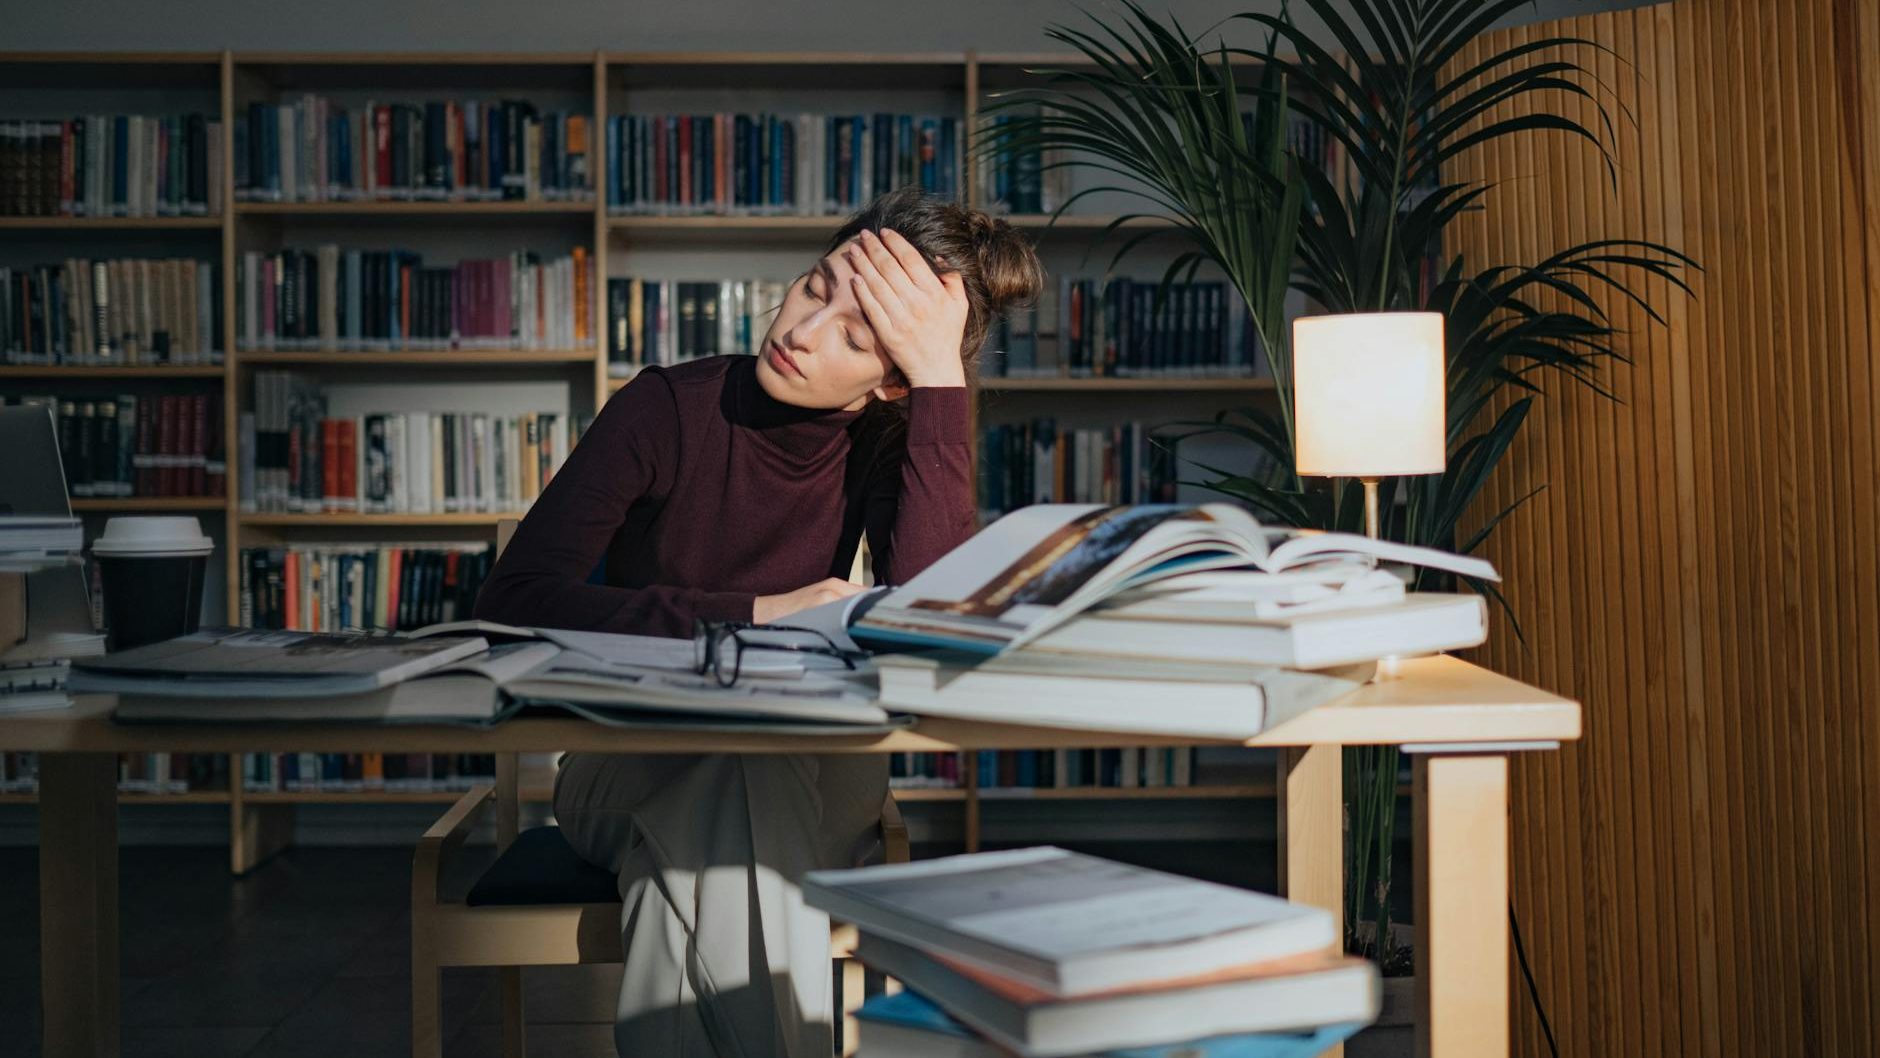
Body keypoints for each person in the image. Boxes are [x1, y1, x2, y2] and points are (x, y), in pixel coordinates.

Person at [471, 186, 1044, 1057]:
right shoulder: (664, 408)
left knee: (739, 790)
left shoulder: (892, 441)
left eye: (857, 338)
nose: (802, 332)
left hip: (819, 765)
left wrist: (939, 386)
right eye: (816, 289)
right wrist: (753, 615)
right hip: (628, 759)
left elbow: (928, 632)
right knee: (733, 803)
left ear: (890, 381)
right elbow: (512, 604)